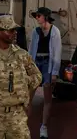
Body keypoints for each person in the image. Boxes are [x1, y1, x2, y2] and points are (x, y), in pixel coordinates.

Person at [28, 7, 62, 138]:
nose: (37, 18)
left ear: (45, 17)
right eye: (36, 16)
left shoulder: (55, 31)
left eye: (39, 16)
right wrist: (29, 68)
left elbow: (57, 53)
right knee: (29, 95)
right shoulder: (35, 31)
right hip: (36, 62)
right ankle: (24, 124)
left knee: (47, 97)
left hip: (48, 63)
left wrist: (54, 72)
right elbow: (31, 50)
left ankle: (44, 127)